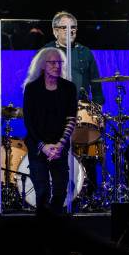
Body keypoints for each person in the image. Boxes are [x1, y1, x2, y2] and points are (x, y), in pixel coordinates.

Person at [43, 11, 104, 207]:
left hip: (80, 111)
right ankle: (56, 199)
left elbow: (96, 83)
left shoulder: (85, 52)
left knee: (88, 154)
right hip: (54, 112)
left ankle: (90, 197)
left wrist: (98, 109)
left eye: (74, 28)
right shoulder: (46, 52)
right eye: (65, 28)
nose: (71, 32)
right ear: (55, 31)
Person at [22, 47, 78, 213]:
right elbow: (29, 123)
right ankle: (43, 230)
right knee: (42, 192)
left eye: (59, 62)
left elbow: (71, 119)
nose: (56, 66)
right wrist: (43, 146)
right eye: (52, 62)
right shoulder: (32, 88)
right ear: (43, 65)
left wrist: (60, 145)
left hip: (59, 146)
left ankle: (56, 228)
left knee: (60, 191)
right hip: (38, 145)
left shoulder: (69, 88)